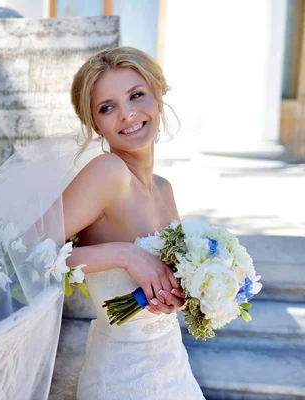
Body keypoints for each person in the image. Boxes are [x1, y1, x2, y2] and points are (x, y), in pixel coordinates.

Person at [63, 47, 204, 399]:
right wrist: (124, 255)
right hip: (122, 379)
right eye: (107, 107)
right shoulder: (107, 173)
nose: (127, 114)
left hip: (174, 368)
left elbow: (167, 282)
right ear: (95, 124)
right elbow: (27, 255)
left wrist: (180, 296)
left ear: (157, 97)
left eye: (136, 95)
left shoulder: (164, 188)